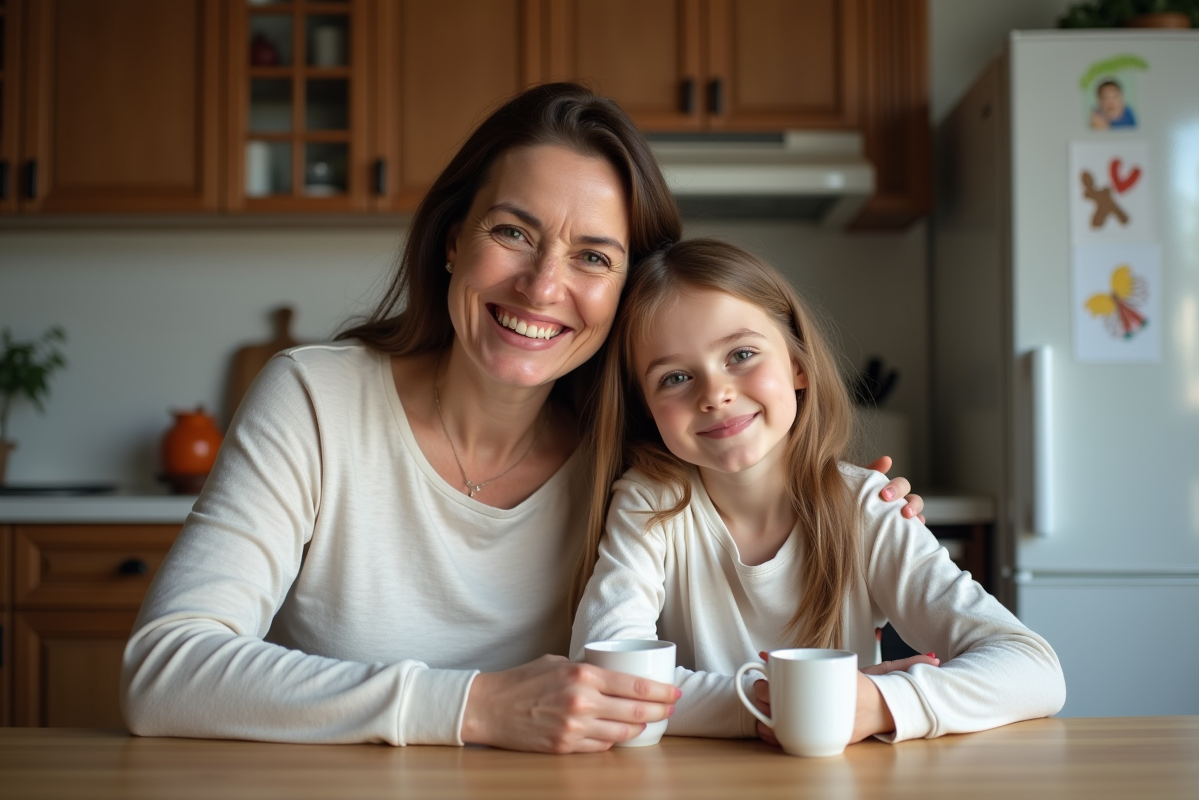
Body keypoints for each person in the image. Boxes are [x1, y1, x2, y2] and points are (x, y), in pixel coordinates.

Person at [120, 84, 925, 753]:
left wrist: (855, 515)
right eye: (513, 232)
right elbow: (164, 672)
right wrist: (474, 706)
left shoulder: (644, 452)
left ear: (627, 297)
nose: (542, 287)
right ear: (452, 241)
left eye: (593, 257)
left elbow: (759, 567)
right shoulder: (314, 400)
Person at [571, 239, 1065, 744]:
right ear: (647, 408)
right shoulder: (650, 503)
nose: (715, 394)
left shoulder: (866, 506)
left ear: (798, 365)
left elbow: (1034, 669)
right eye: (675, 377)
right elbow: (607, 677)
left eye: (741, 355)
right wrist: (797, 703)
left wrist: (882, 702)